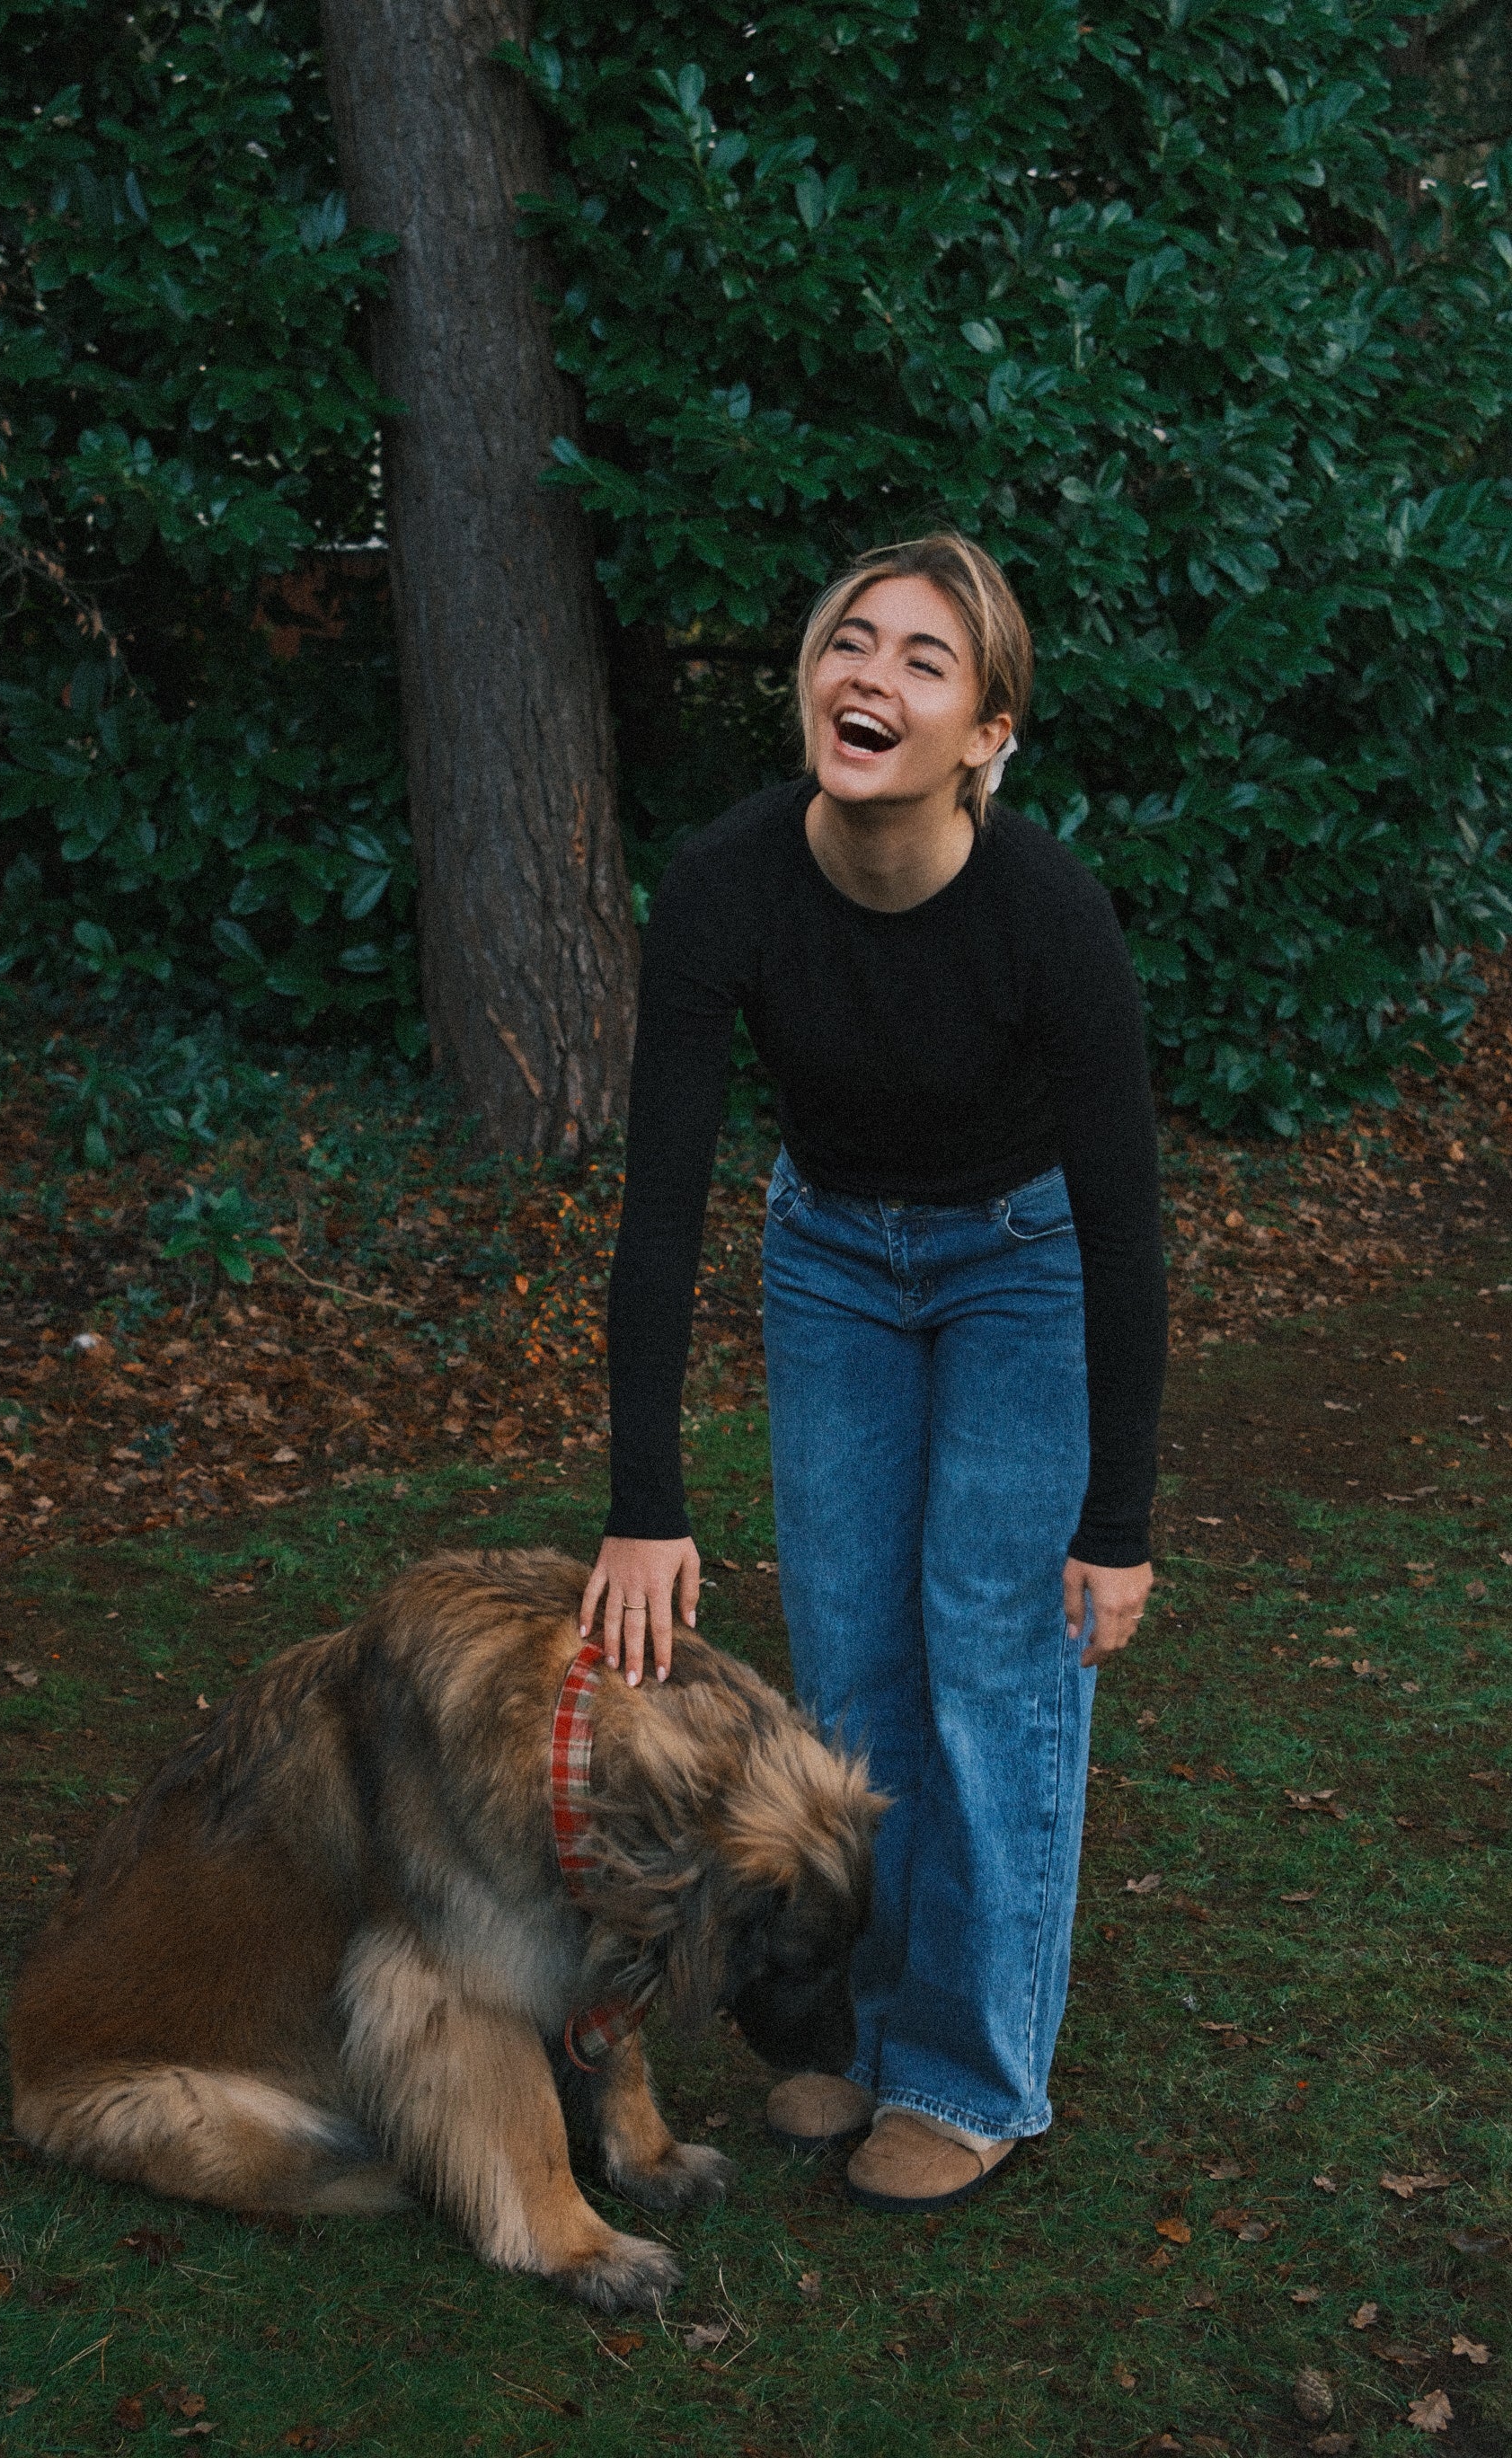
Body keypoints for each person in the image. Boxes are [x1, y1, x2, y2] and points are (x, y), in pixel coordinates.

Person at [579, 531, 1165, 2213]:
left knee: (993, 1663)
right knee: (847, 1673)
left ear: (986, 732)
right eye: (853, 640)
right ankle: (867, 2018)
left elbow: (1127, 1229)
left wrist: (1113, 1523)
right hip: (832, 1255)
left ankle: (976, 2074)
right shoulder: (727, 883)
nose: (873, 677)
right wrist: (645, 1505)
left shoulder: (1047, 914)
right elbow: (662, 1207)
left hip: (1026, 1262)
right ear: (808, 682)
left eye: (926, 659)